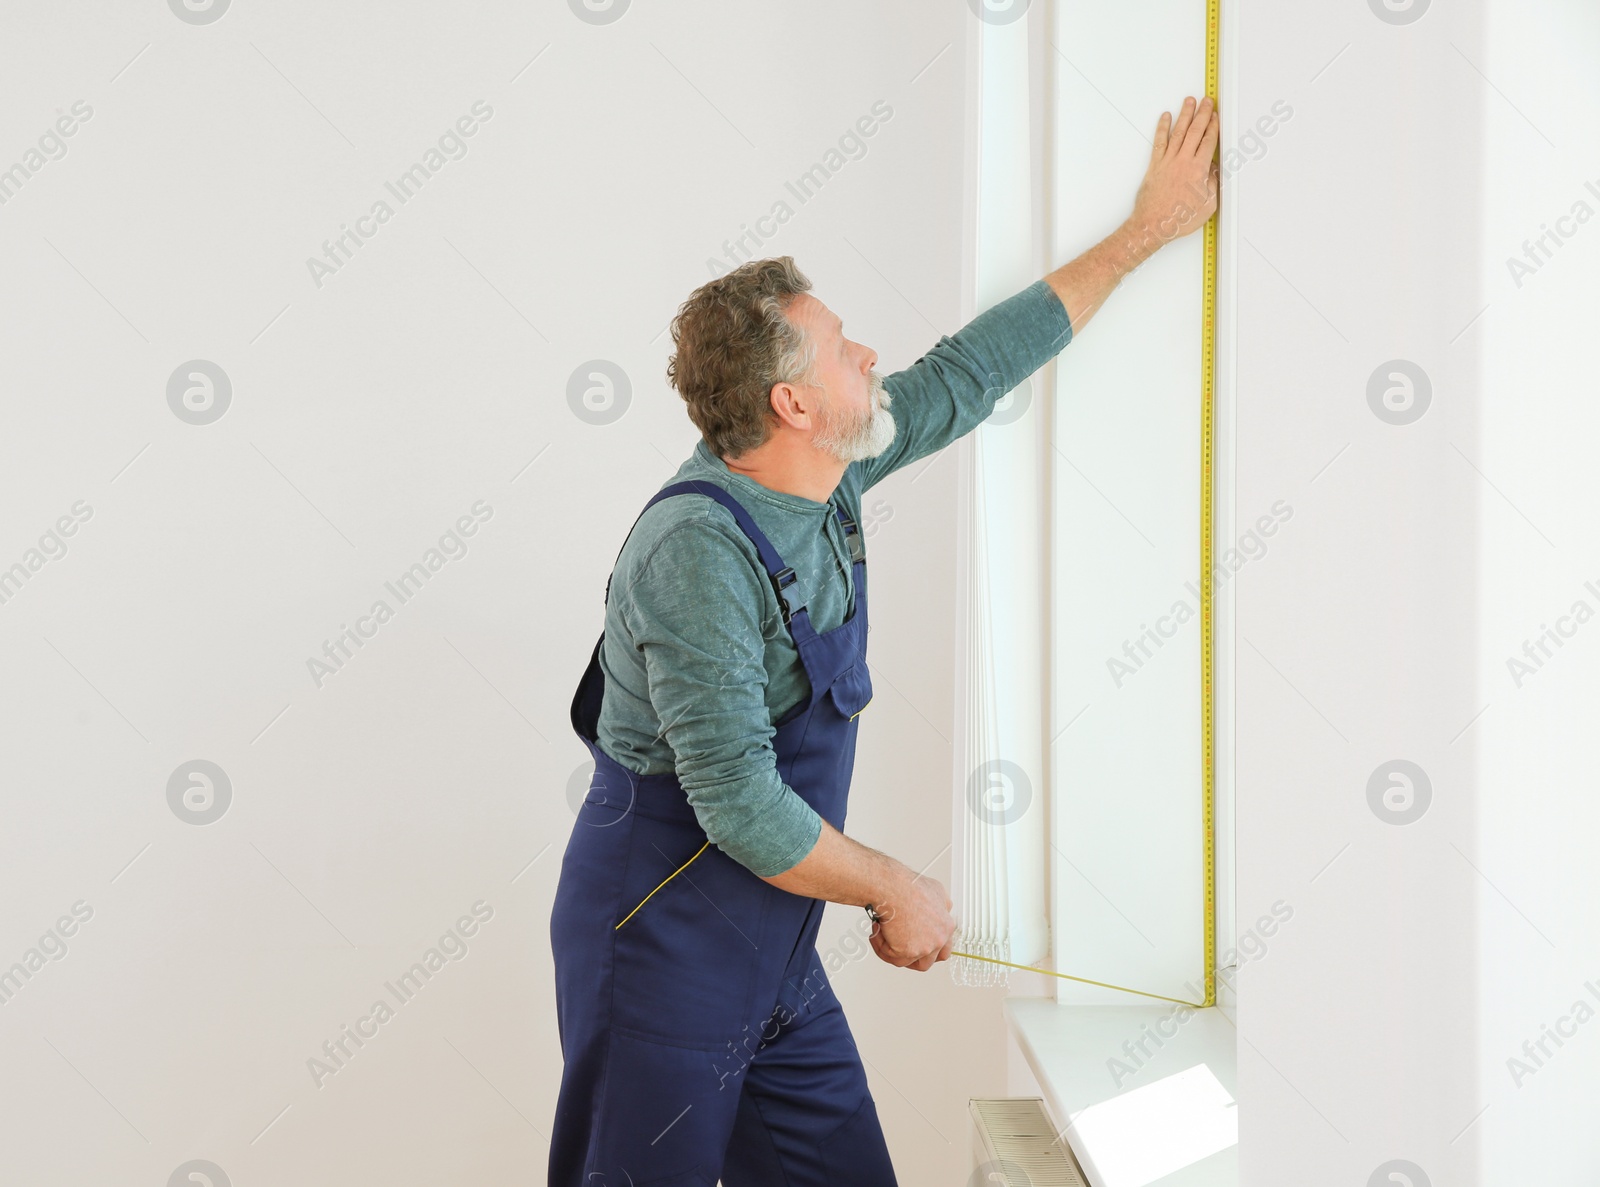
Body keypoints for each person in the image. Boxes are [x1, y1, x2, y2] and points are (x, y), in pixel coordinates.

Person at [549, 95, 1220, 1187]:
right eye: (839, 348)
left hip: (769, 956)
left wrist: (1149, 229)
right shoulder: (695, 556)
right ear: (791, 404)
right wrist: (892, 886)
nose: (868, 353)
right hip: (658, 948)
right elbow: (740, 804)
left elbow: (967, 372)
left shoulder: (832, 467)